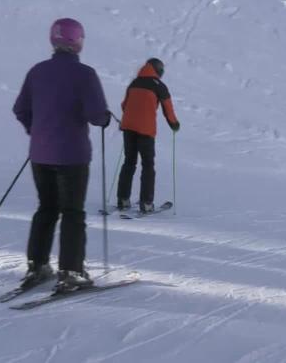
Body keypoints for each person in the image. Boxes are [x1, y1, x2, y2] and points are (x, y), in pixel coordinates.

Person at [13, 18, 110, 291]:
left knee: (46, 208)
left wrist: (38, 130)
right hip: (72, 155)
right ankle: (71, 270)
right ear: (77, 41)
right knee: (72, 212)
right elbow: (95, 115)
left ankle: (38, 264)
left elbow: (21, 109)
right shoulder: (85, 74)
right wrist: (104, 118)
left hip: (41, 155)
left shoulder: (37, 72)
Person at [116, 58, 180, 214]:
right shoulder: (159, 86)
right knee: (148, 165)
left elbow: (124, 105)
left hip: (128, 128)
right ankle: (146, 203)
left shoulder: (134, 83)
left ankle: (123, 199)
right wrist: (174, 124)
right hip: (145, 130)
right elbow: (168, 109)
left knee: (129, 162)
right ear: (158, 71)